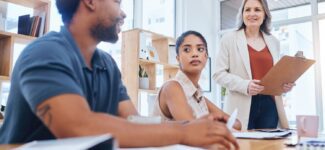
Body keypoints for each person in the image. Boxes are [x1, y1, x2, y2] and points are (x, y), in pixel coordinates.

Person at [0, 0, 239, 149]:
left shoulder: (106, 64)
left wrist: (194, 125)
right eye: (117, 2)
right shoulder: (45, 52)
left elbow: (132, 119)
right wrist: (183, 132)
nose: (123, 14)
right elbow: (76, 125)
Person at [213, 0, 295, 130]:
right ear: (242, 14)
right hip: (242, 103)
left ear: (265, 14)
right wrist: (245, 85)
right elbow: (218, 74)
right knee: (242, 145)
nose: (252, 14)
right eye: (247, 10)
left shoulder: (274, 42)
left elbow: (274, 74)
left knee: (268, 146)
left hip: (269, 104)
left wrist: (283, 85)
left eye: (257, 10)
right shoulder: (229, 39)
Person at [153, 31, 241, 130]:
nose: (194, 54)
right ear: (178, 58)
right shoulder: (172, 87)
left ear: (206, 57)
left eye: (200, 49)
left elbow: (236, 124)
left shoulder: (198, 95)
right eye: (187, 50)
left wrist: (213, 122)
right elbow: (193, 129)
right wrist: (216, 122)